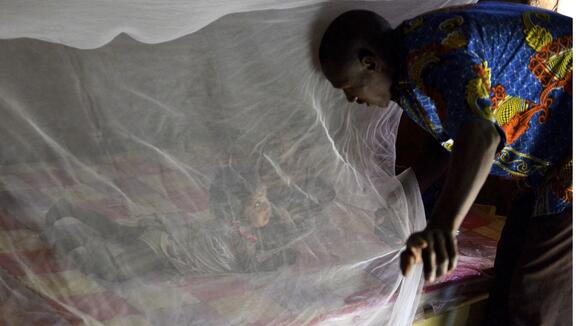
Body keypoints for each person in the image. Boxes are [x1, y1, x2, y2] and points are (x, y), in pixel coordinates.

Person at [318, 2, 571, 325]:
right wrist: (406, 190)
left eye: (348, 87)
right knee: (508, 270)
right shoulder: (408, 65)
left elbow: (480, 135)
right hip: (552, 162)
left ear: (369, 62)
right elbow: (454, 138)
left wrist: (444, 225)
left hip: (567, 161)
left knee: (537, 295)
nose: (352, 99)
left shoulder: (433, 57)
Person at [43, 164, 304, 281]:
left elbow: (249, 257)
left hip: (170, 237)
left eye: (266, 199)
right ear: (235, 209)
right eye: (257, 203)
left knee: (118, 233)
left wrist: (282, 243)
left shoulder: (244, 232)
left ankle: (72, 212)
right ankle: (75, 240)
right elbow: (247, 268)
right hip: (164, 245)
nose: (267, 208)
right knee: (115, 272)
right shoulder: (236, 232)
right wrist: (278, 260)